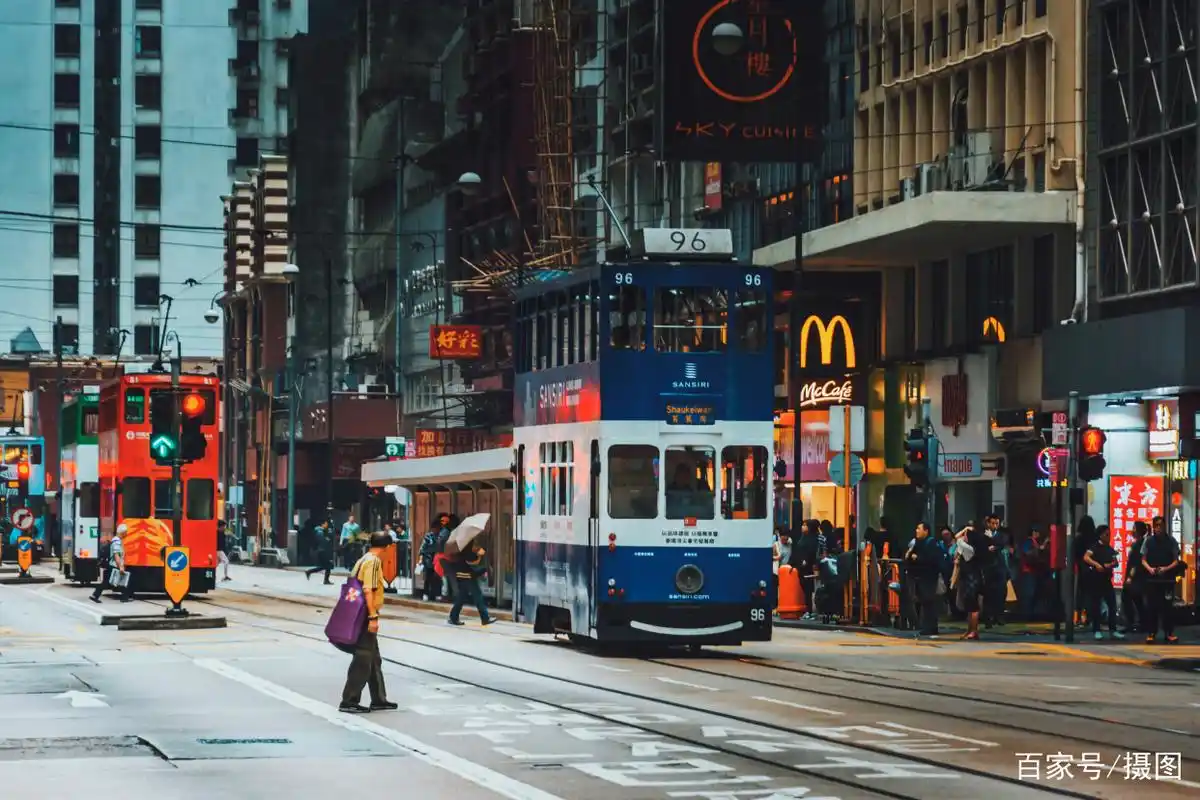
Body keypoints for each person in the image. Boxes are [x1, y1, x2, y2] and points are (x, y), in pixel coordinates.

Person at [338, 532, 398, 714]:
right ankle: (349, 700)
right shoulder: (373, 561)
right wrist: (372, 617)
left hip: (361, 612)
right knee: (363, 658)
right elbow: (368, 589)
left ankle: (379, 698)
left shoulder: (364, 558)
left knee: (373, 658)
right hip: (365, 615)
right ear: (387, 547)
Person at [1140, 516, 1182, 645]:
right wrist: (1150, 569)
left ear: (1165, 526)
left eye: (1160, 525)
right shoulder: (1148, 541)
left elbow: (1176, 560)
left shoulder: (1171, 541)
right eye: (1156, 525)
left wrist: (1165, 568)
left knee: (1167, 608)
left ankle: (1169, 633)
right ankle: (1151, 633)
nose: (1158, 528)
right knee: (1152, 607)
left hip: (1167, 580)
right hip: (1152, 579)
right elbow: (1143, 559)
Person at [1082, 525, 1122, 640]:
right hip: (1096, 580)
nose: (1108, 536)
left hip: (1106, 580)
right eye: (1106, 534)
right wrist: (1097, 565)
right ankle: (1097, 630)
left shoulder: (1109, 548)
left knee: (1112, 605)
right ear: (1100, 535)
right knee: (1096, 606)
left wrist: (1110, 565)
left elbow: (1116, 562)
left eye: (1109, 534)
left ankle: (1113, 630)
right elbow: (1086, 557)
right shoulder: (1094, 547)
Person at [905, 522, 943, 636]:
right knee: (925, 603)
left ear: (926, 531)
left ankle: (930, 627)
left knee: (929, 602)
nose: (917, 531)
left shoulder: (931, 543)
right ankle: (928, 626)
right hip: (920, 577)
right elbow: (910, 557)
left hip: (929, 577)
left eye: (919, 528)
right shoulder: (917, 543)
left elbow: (932, 560)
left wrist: (918, 558)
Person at [446, 539, 495, 627]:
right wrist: (479, 555)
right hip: (467, 576)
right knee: (477, 596)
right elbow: (472, 561)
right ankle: (485, 618)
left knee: (461, 598)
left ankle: (453, 617)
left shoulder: (460, 547)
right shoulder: (466, 549)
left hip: (461, 575)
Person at [952, 524, 986, 640]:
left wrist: (965, 529)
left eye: (967, 535)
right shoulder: (970, 547)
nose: (964, 536)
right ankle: (969, 630)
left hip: (972, 579)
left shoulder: (969, 549)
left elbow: (956, 537)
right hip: (970, 578)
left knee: (973, 606)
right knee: (969, 606)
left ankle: (974, 631)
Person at [91, 524, 132, 603]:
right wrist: (120, 566)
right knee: (109, 582)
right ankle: (124, 597)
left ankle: (124, 597)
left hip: (113, 565)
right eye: (126, 532)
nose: (126, 534)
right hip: (114, 565)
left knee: (119, 581)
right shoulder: (117, 542)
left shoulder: (117, 541)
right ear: (122, 533)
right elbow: (116, 555)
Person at [1122, 521, 1148, 633]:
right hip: (1138, 577)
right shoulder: (1141, 543)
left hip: (1135, 578)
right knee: (1138, 600)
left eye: (1134, 528)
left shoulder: (1139, 545)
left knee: (1127, 597)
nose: (1132, 531)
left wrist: (1130, 577)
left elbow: (1135, 564)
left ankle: (1131, 622)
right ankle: (1142, 623)